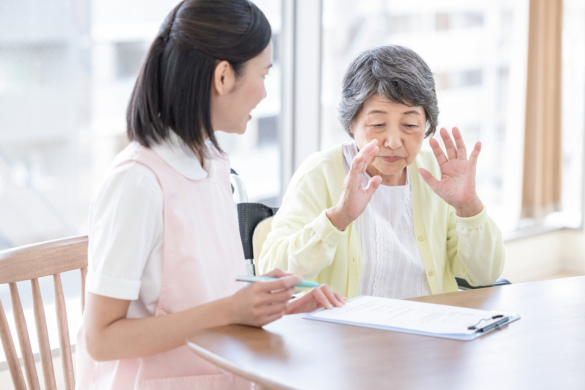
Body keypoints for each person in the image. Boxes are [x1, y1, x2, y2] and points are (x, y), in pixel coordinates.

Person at [76, 1, 344, 389]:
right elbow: (100, 340)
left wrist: (277, 308)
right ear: (223, 77)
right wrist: (230, 310)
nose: (265, 93)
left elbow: (209, 300)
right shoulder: (137, 182)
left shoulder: (213, 164)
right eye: (264, 74)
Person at [258, 45, 505, 300]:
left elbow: (484, 276)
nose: (394, 141)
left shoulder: (438, 173)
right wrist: (338, 219)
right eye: (377, 124)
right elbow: (272, 277)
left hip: (430, 331)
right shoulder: (320, 173)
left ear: (426, 125)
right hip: (348, 336)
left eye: (410, 125)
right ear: (351, 122)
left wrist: (469, 208)